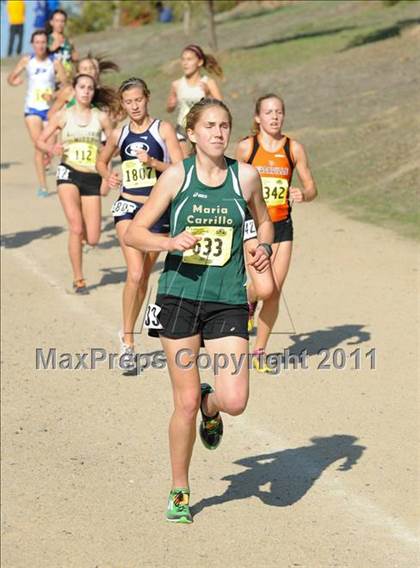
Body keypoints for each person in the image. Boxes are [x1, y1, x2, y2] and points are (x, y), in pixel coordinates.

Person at [124, 98, 274, 523]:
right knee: (184, 402)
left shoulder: (245, 177)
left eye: (224, 126)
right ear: (191, 133)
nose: (218, 133)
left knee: (236, 399)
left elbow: (264, 221)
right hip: (179, 297)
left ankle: (214, 404)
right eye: (209, 125)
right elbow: (136, 233)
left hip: (226, 298)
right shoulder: (175, 176)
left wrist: (261, 247)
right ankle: (180, 490)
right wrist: (170, 243)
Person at [96, 78, 183, 365]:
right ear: (122, 104)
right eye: (128, 102)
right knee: (134, 273)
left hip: (156, 211)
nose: (134, 106)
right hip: (127, 206)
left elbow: (182, 169)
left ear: (147, 98)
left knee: (144, 275)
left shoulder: (163, 129)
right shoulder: (120, 134)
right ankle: (128, 340)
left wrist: (155, 164)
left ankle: (130, 329)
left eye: (138, 100)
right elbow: (101, 160)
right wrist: (107, 175)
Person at [236, 94, 317, 372]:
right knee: (262, 287)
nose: (274, 117)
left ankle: (259, 352)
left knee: (274, 292)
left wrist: (303, 194)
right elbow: (232, 184)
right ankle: (248, 301)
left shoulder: (293, 149)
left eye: (279, 112)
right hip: (253, 226)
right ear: (258, 117)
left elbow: (312, 187)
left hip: (282, 227)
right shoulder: (247, 148)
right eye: (269, 112)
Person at [36, 74, 113, 293]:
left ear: (93, 91)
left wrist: (106, 170)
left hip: (92, 176)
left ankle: (80, 240)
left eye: (90, 88)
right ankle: (79, 279)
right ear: (75, 90)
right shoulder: (63, 116)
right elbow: (41, 140)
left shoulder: (102, 117)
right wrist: (52, 149)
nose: (86, 91)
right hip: (68, 173)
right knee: (76, 227)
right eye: (82, 87)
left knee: (94, 238)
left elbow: (113, 143)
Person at [7, 30, 67, 198]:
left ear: (46, 44)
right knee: (39, 146)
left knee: (51, 145)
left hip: (50, 110)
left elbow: (66, 86)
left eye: (42, 42)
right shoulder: (28, 60)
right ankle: (42, 186)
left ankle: (50, 158)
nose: (40, 45)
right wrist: (14, 81)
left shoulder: (54, 62)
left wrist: (54, 96)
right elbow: (11, 77)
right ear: (32, 44)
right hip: (32, 109)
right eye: (37, 42)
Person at [166, 44, 223, 157]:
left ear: (200, 62)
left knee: (201, 161)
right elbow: (169, 109)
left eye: (189, 59)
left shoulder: (208, 82)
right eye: (183, 59)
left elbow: (220, 107)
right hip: (182, 128)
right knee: (184, 162)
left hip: (203, 128)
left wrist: (208, 93)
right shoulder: (177, 84)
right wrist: (171, 105)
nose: (185, 63)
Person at [47, 8, 78, 82]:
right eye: (57, 21)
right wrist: (54, 46)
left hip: (68, 78)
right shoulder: (46, 39)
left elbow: (75, 59)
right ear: (51, 22)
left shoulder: (68, 41)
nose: (60, 24)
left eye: (62, 21)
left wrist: (73, 49)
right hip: (52, 79)